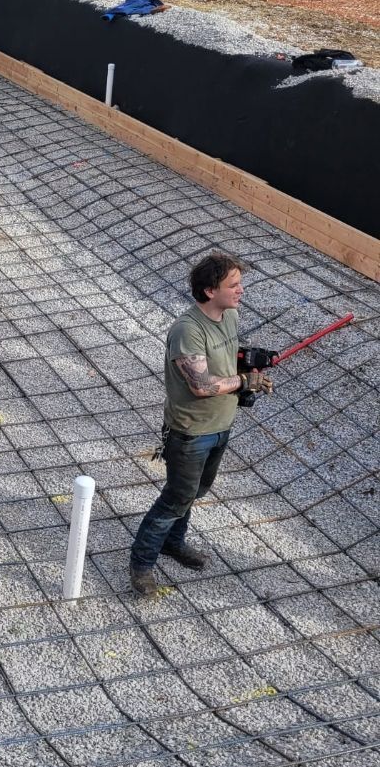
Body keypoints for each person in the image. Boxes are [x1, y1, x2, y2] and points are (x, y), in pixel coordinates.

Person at [129, 251, 272, 595]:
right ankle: (141, 565)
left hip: (221, 424)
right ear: (210, 291)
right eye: (233, 285)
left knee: (196, 492)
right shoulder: (187, 331)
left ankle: (173, 544)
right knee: (176, 498)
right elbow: (201, 385)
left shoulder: (230, 316)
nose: (241, 290)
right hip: (191, 432)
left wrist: (250, 366)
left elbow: (229, 360)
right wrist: (243, 382)